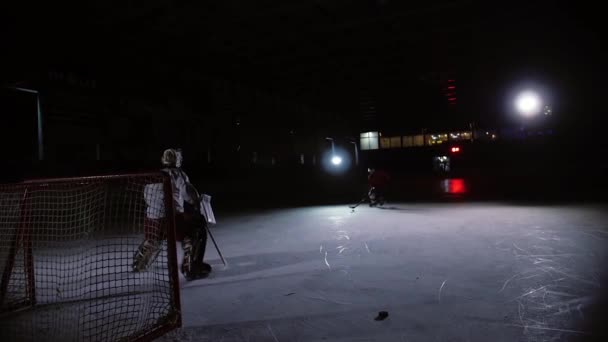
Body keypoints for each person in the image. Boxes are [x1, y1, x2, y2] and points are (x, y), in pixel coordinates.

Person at [133, 148, 211, 279]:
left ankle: (141, 261)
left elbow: (147, 197)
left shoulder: (153, 175)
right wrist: (197, 202)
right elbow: (188, 194)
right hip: (173, 220)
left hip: (152, 219)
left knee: (154, 239)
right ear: (176, 160)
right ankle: (191, 266)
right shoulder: (177, 174)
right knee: (197, 231)